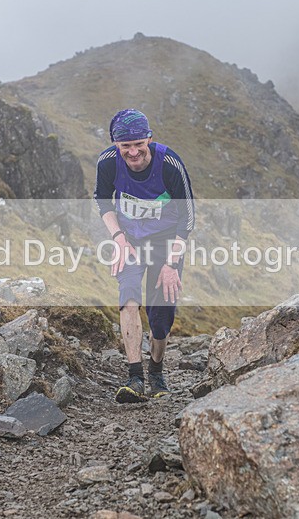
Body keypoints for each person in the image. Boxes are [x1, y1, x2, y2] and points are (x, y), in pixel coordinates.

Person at [94, 109, 195, 403]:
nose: (133, 151)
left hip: (166, 242)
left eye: (139, 143)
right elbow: (102, 201)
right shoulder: (109, 163)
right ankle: (134, 376)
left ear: (149, 138)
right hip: (130, 240)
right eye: (126, 146)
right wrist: (118, 239)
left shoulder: (170, 165)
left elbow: (187, 219)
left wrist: (172, 264)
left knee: (161, 316)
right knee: (128, 299)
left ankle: (156, 371)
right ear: (116, 145)